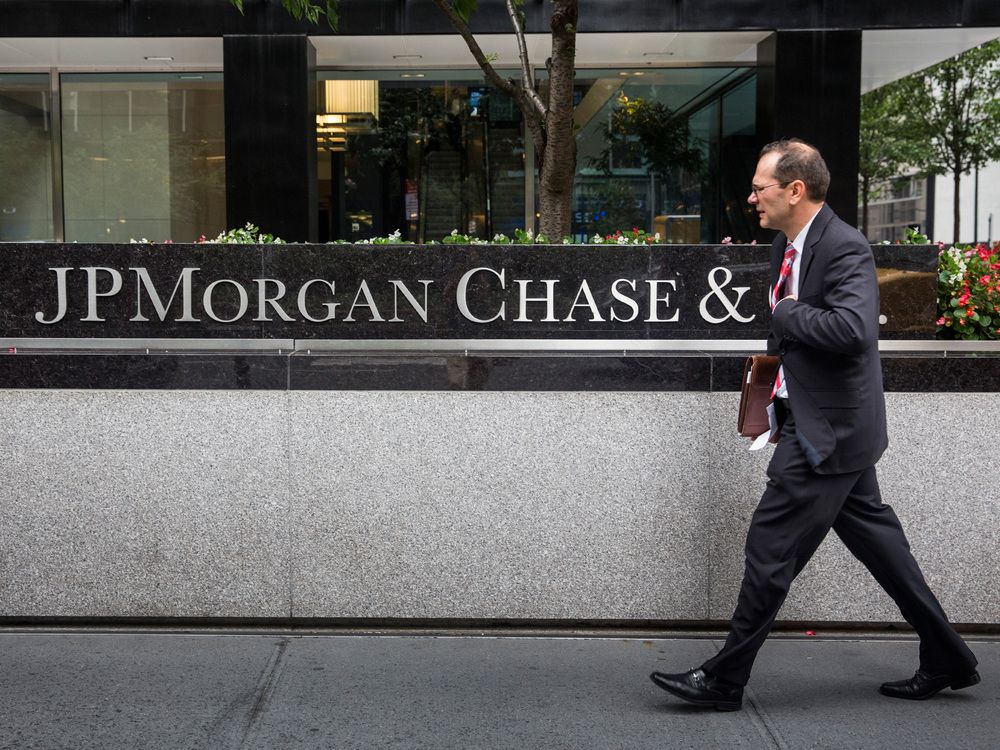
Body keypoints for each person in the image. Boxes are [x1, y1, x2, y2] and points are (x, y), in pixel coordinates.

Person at [649, 139, 980, 711]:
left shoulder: (845, 246)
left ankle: (725, 682)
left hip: (829, 434)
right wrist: (772, 403)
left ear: (795, 190)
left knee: (768, 551)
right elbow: (795, 344)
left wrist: (783, 311)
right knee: (885, 553)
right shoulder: (787, 244)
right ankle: (949, 656)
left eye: (760, 187)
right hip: (822, 423)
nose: (751, 196)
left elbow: (853, 330)